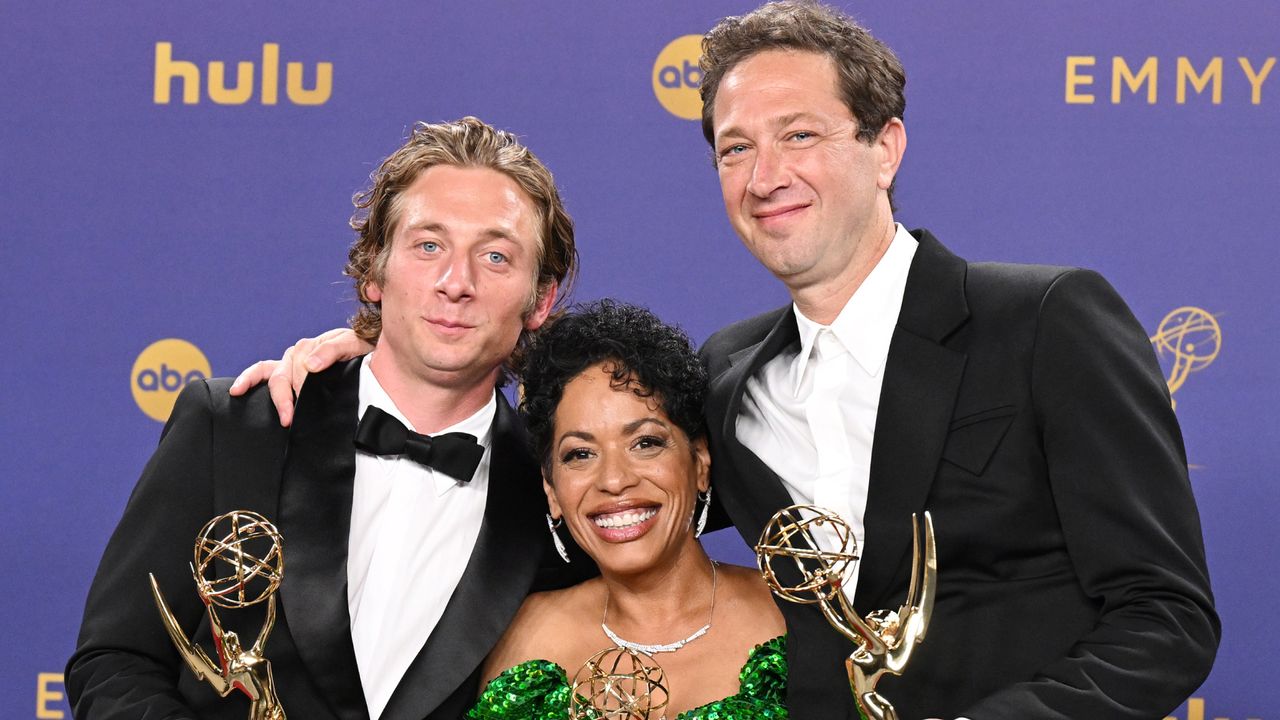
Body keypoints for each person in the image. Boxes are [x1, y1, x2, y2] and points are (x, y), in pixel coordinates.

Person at [237, 3, 1220, 718]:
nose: (765, 176)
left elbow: (1164, 617)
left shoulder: (1045, 320)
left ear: (885, 147)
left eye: (799, 135)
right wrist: (373, 361)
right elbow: (600, 494)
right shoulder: (724, 373)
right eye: (733, 147)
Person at [66, 116, 584, 720]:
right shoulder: (232, 428)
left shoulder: (563, 496)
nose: (455, 282)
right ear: (374, 270)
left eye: (495, 256)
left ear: (540, 299)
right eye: (428, 245)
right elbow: (115, 663)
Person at [468, 300, 786, 719]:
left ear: (700, 462)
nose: (614, 480)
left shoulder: (794, 620)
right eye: (579, 454)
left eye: (645, 443)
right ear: (552, 490)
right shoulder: (517, 634)